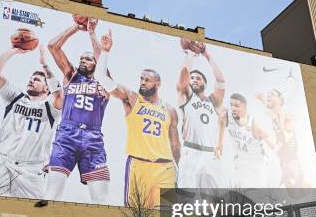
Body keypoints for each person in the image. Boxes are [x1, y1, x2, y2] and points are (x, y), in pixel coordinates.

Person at [95, 30, 180, 208]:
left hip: (165, 168)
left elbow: (175, 143)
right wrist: (105, 51)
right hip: (138, 166)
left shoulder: (170, 109)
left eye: (147, 80)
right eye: (141, 78)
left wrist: (178, 169)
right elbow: (103, 78)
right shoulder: (133, 99)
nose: (142, 82)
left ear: (157, 84)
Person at [45, 17, 110, 203]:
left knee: (101, 201)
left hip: (93, 138)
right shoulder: (70, 76)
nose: (83, 60)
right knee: (52, 194)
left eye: (88, 59)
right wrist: (76, 28)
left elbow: (102, 60)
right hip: (67, 134)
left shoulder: (104, 82)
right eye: (81, 58)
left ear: (96, 63)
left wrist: (91, 32)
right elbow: (52, 46)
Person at [0, 44, 63, 198]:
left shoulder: (51, 109)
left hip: (31, 171)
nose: (31, 81)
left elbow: (60, 96)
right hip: (1, 162)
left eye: (36, 80)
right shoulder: (15, 97)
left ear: (47, 89)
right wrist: (14, 50)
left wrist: (45, 65)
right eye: (30, 78)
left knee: (33, 215)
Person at [176, 40, 226, 189]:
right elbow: (182, 79)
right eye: (192, 78)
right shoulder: (187, 97)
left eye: (198, 78)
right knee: (187, 202)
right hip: (190, 152)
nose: (194, 80)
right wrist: (190, 54)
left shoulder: (213, 101)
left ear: (204, 82)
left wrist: (207, 56)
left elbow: (221, 80)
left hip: (210, 154)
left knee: (216, 203)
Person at [216, 93, 273, 188]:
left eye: (237, 106)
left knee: (260, 194)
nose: (233, 108)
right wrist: (219, 142)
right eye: (231, 105)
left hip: (258, 163)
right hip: (241, 162)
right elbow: (221, 121)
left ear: (245, 108)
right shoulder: (227, 117)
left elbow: (271, 141)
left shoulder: (254, 123)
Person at [256, 88, 305, 188]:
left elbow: (282, 125)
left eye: (272, 94)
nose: (268, 95)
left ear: (280, 100)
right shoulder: (271, 116)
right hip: (281, 162)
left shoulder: (286, 116)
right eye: (268, 94)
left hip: (288, 158)